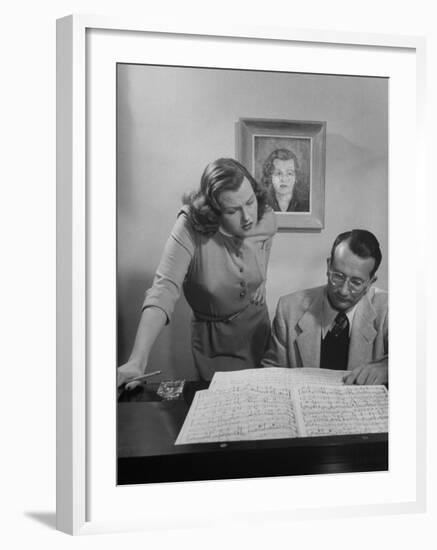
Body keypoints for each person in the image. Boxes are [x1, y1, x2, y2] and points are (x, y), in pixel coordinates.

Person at [118, 158, 277, 385]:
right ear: (214, 210)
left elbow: (265, 241)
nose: (248, 217)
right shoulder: (190, 225)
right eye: (233, 210)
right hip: (214, 341)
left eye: (250, 202)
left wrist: (262, 279)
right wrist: (137, 360)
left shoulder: (266, 216)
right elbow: (164, 289)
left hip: (257, 330)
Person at [262, 229, 388, 385]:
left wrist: (387, 367)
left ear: (370, 282)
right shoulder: (289, 309)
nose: (343, 290)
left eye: (356, 282)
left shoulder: (388, 309)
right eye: (338, 276)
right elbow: (270, 373)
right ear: (328, 266)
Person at [262, 148, 309, 212]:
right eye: (278, 173)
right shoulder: (262, 203)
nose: (284, 179)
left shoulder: (306, 204)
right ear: (270, 176)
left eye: (289, 173)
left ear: (296, 177)